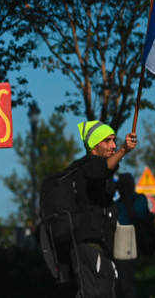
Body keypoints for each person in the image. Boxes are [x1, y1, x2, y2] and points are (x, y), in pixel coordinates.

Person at [64, 120, 137, 298]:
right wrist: (124, 150)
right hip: (89, 246)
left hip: (100, 247)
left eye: (114, 140)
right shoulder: (87, 166)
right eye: (108, 140)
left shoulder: (95, 167)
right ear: (95, 146)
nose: (113, 145)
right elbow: (102, 170)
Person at [114, 173, 148, 298]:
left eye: (124, 186)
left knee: (126, 281)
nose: (121, 189)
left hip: (130, 243)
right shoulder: (117, 203)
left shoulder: (138, 199)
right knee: (117, 281)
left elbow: (134, 215)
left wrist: (127, 198)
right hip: (117, 243)